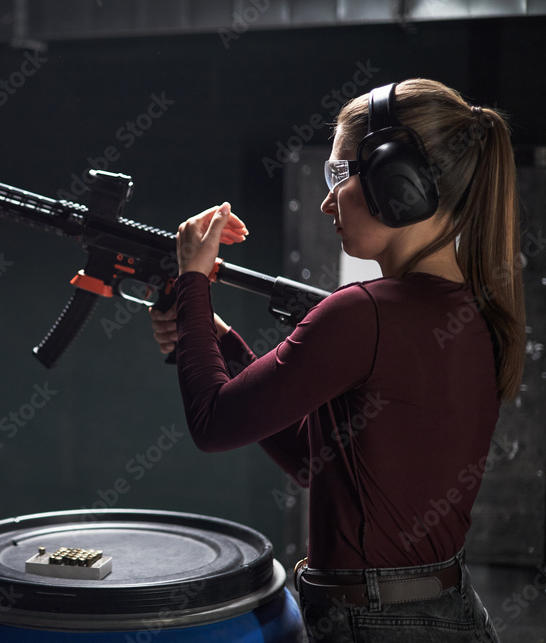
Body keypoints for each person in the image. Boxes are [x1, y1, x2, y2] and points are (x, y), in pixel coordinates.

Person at [150, 78, 525, 642]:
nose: (328, 199)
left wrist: (193, 281)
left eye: (340, 174)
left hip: (376, 625)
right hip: (441, 612)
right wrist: (211, 336)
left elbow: (214, 422)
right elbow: (314, 457)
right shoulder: (471, 310)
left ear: (396, 179)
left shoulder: (363, 314)